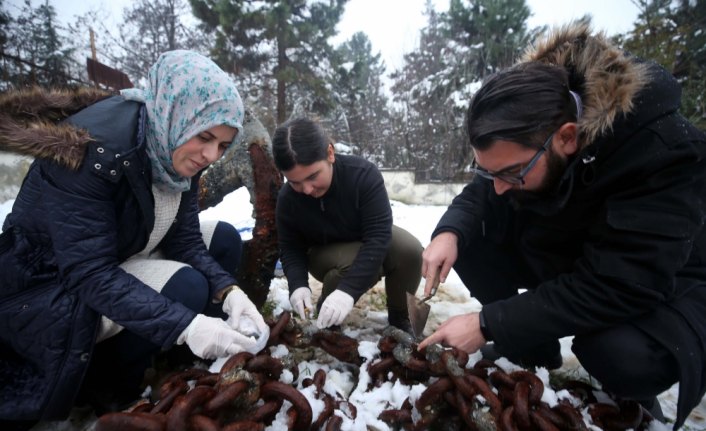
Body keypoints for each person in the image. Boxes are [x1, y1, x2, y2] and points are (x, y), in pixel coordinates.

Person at [417, 21, 706, 429]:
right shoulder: (531, 130)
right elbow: (484, 192)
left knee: (618, 354)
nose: (499, 188)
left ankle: (633, 398)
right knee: (471, 238)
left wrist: (488, 324)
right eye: (488, 171)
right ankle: (534, 351)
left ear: (568, 138)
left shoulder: (665, 152)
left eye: (512, 173)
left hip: (665, 280)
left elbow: (621, 283)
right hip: (578, 249)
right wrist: (449, 232)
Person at [0, 50, 269, 429]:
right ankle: (104, 386)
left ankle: (183, 356)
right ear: (176, 113)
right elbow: (88, 272)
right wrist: (186, 325)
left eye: (223, 145)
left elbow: (187, 241)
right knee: (187, 287)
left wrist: (229, 291)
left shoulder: (173, 145)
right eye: (205, 137)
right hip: (50, 284)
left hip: (121, 248)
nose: (210, 155)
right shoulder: (90, 153)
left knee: (223, 238)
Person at [272, 117, 423, 333]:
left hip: (364, 239)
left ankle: (401, 316)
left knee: (410, 249)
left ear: (330, 153)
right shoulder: (288, 199)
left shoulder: (363, 175)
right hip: (321, 252)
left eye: (313, 176)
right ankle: (328, 313)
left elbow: (379, 236)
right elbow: (290, 247)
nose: (307, 189)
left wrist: (348, 291)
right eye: (295, 182)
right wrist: (298, 285)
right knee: (354, 262)